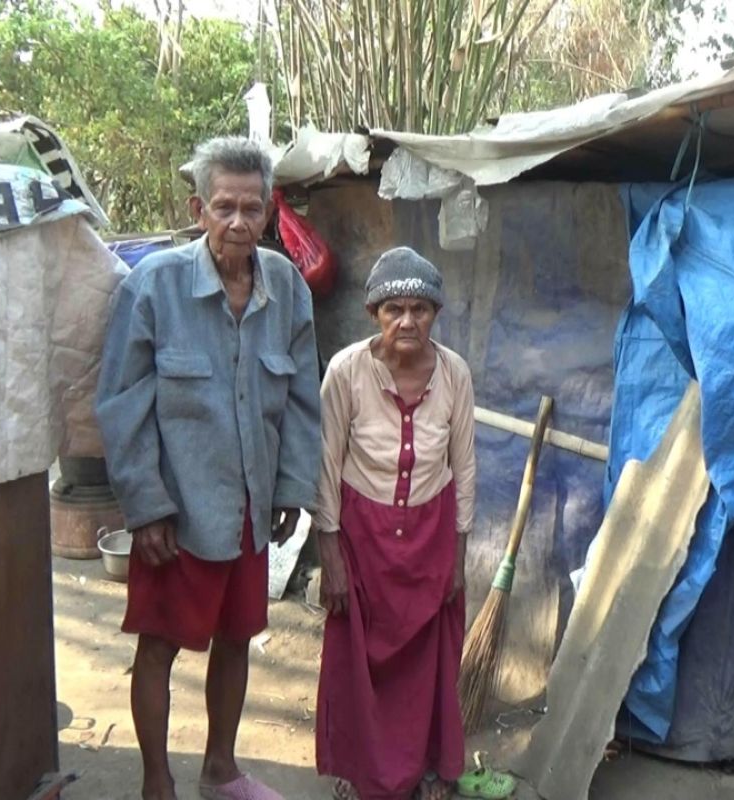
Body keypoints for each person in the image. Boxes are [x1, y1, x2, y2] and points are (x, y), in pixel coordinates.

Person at [96, 136, 321, 800]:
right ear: (198, 208)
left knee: (238, 637)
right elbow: (121, 402)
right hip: (177, 511)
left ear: (269, 212)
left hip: (250, 504)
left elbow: (303, 398)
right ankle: (156, 781)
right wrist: (146, 506)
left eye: (252, 209)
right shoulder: (154, 286)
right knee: (159, 646)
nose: (238, 223)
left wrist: (290, 486)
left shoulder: (286, 288)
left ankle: (221, 769)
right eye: (224, 207)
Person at [314, 247, 475, 800]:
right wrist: (330, 554)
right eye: (394, 309)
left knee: (429, 661)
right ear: (373, 314)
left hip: (431, 533)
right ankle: (362, 772)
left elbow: (465, 465)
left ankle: (430, 766)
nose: (408, 321)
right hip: (363, 537)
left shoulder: (454, 374)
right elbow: (326, 464)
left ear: (435, 314)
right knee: (357, 661)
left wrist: (458, 552)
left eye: (421, 309)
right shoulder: (346, 371)